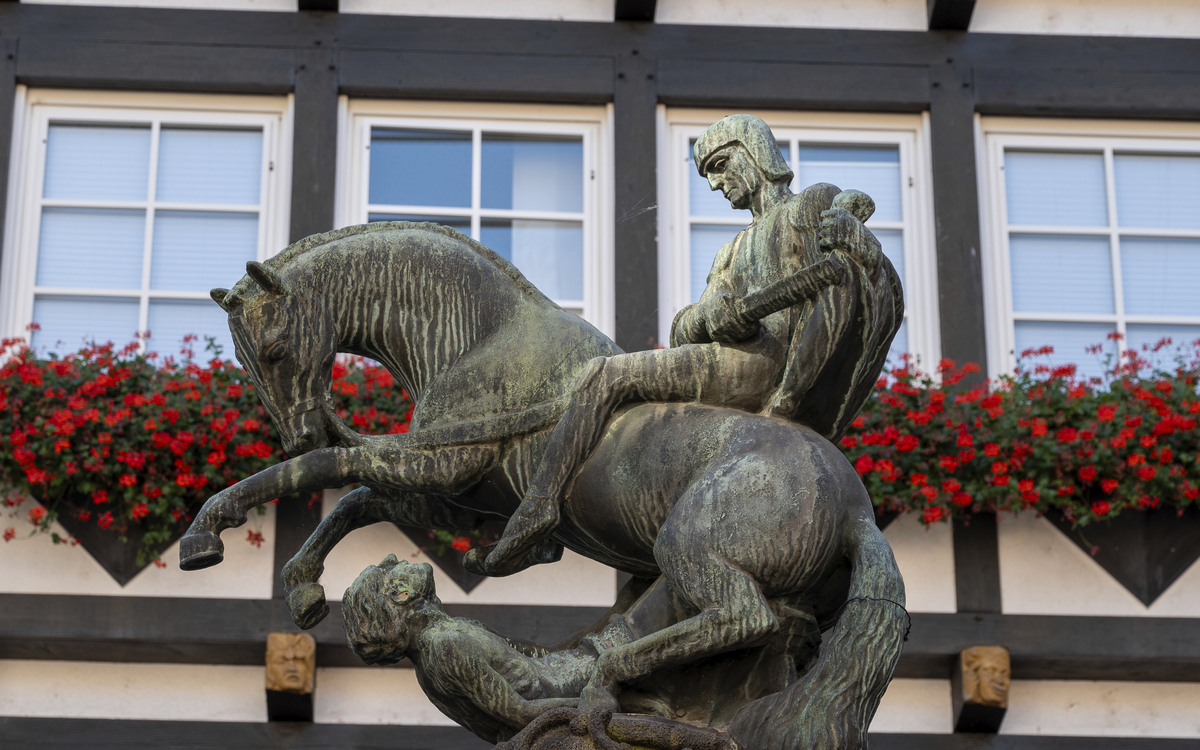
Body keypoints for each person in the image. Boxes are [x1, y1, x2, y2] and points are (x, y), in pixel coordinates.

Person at [468, 114, 904, 576]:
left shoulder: (807, 206)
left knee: (604, 373)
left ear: (753, 155)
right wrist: (710, 315)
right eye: (709, 174)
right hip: (736, 351)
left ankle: (539, 510)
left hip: (763, 364)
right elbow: (685, 330)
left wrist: (857, 237)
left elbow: (855, 252)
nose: (716, 184)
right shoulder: (731, 250)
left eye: (719, 166)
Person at [342, 554, 630, 743]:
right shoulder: (446, 645)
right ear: (400, 596)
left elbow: (539, 654)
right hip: (578, 680)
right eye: (387, 570)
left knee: (635, 592)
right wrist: (592, 700)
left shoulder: (442, 640)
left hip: (572, 666)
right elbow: (520, 713)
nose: (394, 559)